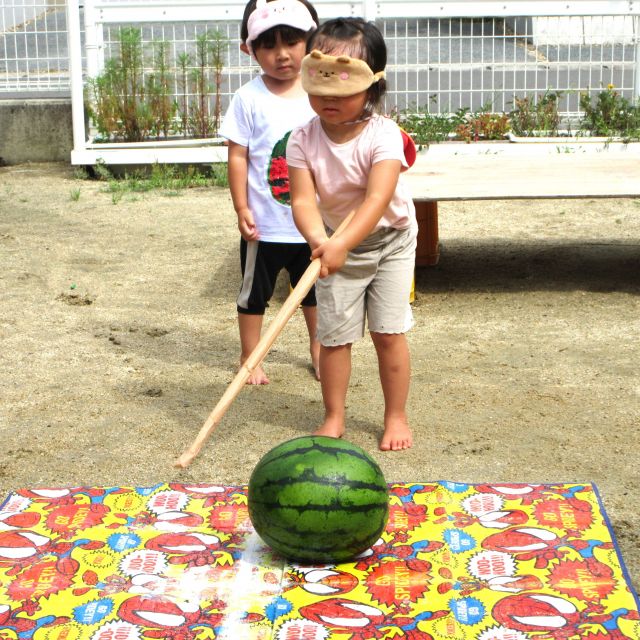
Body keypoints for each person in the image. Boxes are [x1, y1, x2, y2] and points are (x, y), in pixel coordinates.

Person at [287, 17, 417, 451]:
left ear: (373, 85)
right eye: (319, 85)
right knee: (335, 335)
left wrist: (342, 242)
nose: (328, 97)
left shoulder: (385, 136)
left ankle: (395, 416)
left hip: (390, 241)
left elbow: (377, 199)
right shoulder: (301, 139)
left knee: (387, 332)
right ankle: (334, 415)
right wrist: (320, 241)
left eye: (341, 86)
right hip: (332, 244)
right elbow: (303, 201)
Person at [219, 0, 320, 385]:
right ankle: (250, 356)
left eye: (292, 41)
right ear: (250, 49)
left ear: (310, 42)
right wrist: (241, 206)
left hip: (312, 224)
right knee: (254, 294)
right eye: (269, 45)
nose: (282, 54)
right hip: (265, 223)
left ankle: (319, 348)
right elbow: (238, 156)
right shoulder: (249, 98)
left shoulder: (320, 92)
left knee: (314, 293)